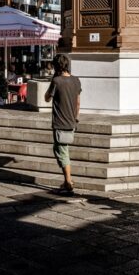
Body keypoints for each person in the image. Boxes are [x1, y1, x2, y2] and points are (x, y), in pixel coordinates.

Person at [44, 54, 81, 195]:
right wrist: (76, 118)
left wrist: (52, 82)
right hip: (71, 121)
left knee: (62, 152)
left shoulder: (57, 81)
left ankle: (68, 182)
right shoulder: (76, 80)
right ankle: (67, 181)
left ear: (56, 66)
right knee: (60, 150)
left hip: (60, 122)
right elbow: (78, 102)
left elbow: (47, 98)